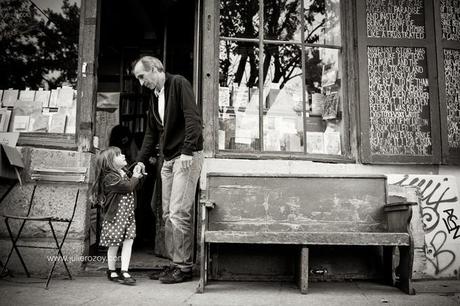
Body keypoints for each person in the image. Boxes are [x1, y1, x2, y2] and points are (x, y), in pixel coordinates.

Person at [133, 56, 203, 284]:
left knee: (178, 212)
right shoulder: (154, 98)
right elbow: (152, 133)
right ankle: (174, 263)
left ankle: (183, 267)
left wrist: (187, 150)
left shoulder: (179, 83)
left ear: (155, 69)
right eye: (138, 79)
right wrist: (141, 160)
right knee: (165, 214)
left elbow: (193, 119)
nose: (141, 83)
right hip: (169, 160)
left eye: (142, 77)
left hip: (186, 157)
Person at [90, 146, 146, 285]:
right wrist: (134, 176)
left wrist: (138, 174)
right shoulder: (109, 177)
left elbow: (135, 186)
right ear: (110, 162)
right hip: (115, 217)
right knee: (114, 244)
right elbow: (127, 187)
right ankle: (111, 270)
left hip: (127, 216)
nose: (123, 155)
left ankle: (125, 271)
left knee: (129, 241)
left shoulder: (123, 173)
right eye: (119, 154)